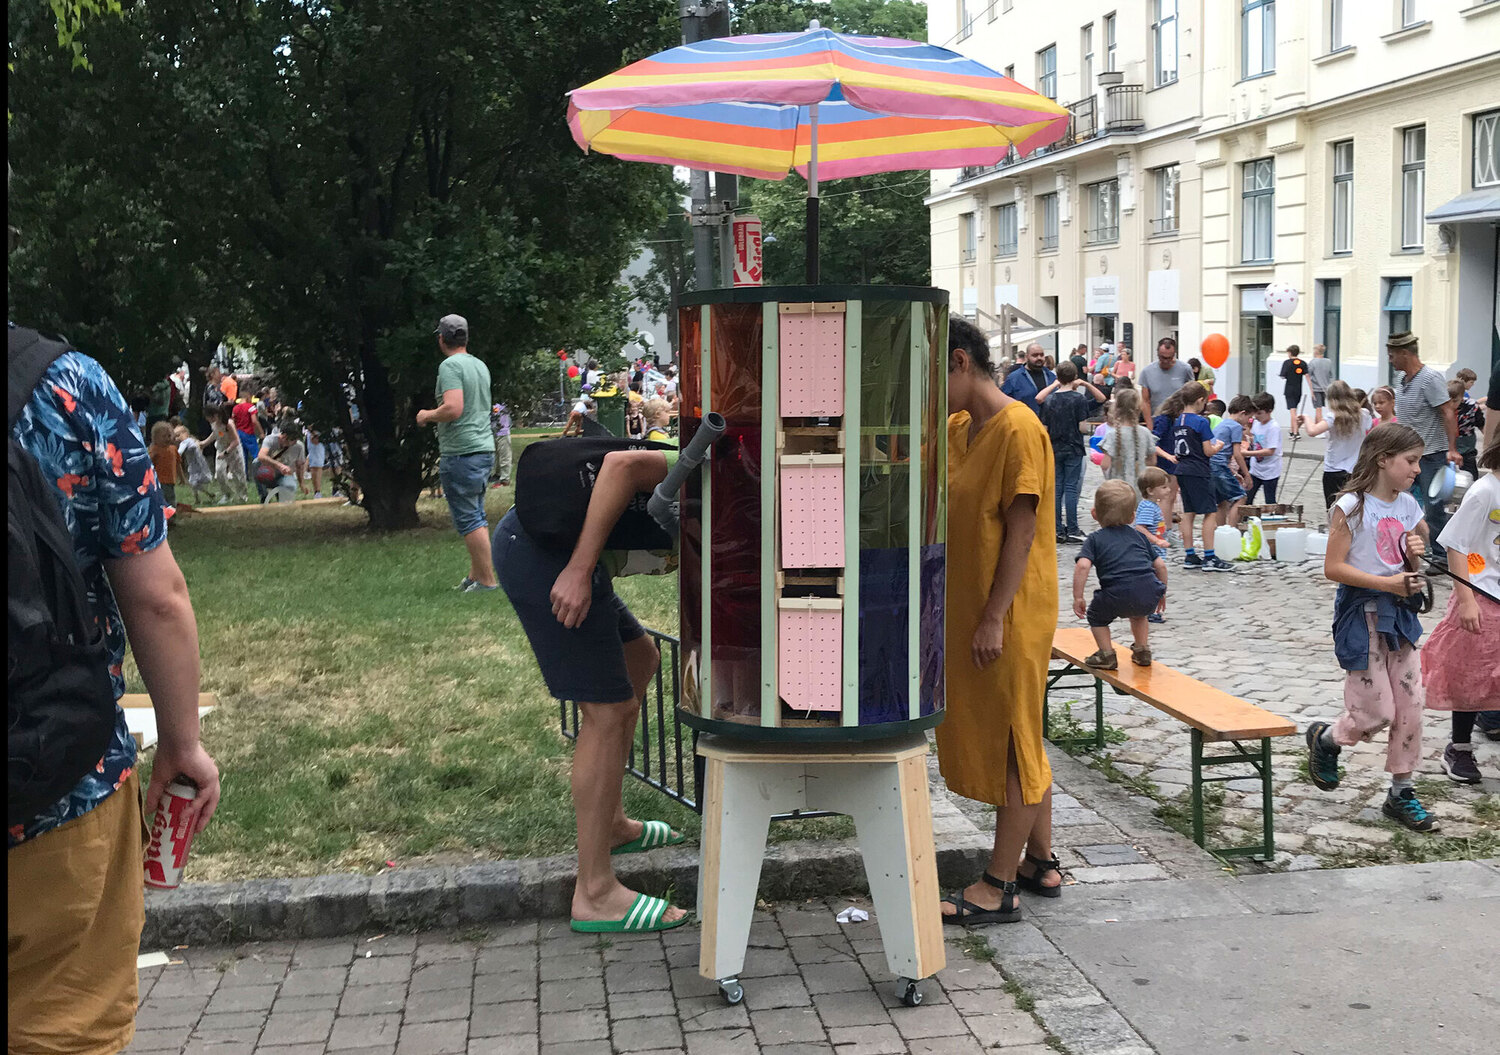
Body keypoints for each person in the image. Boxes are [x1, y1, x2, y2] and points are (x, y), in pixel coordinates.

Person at [9, 326, 220, 1054]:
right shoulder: (66, 388)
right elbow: (157, 595)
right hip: (55, 793)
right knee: (67, 1030)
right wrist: (182, 741)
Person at [493, 436, 688, 933]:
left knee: (640, 659)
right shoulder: (713, 460)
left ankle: (615, 824)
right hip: (546, 559)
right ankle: (595, 893)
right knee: (608, 710)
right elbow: (620, 467)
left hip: (562, 557)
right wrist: (579, 570)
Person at [939, 316, 1061, 926]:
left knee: (1014, 738)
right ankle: (1040, 858)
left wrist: (993, 618)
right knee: (1020, 727)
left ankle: (999, 883)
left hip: (1010, 610)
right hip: (977, 606)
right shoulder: (962, 425)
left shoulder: (1019, 426)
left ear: (960, 362)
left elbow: (1021, 530)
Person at [1305, 423, 1436, 833]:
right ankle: (1327, 739)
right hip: (1362, 616)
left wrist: (1416, 561)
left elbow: (1413, 567)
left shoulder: (1409, 507)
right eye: (1410, 461)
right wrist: (1388, 583)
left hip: (1400, 618)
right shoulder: (1351, 506)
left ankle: (1401, 793)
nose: (1416, 470)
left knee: (1411, 706)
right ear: (1383, 459)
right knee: (1375, 711)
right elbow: (1334, 568)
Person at [1421, 437, 1500, 784]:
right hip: (1481, 591)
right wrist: (1466, 599)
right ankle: (1460, 747)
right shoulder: (1485, 491)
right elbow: (1456, 544)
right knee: (1469, 673)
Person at [417, 314, 498, 592]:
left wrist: (427, 415)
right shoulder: (479, 365)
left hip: (462, 451)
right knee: (476, 513)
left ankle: (487, 581)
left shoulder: (450, 366)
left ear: (441, 338)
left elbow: (453, 408)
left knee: (469, 518)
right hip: (484, 448)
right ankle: (476, 576)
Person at [1073, 479, 1170, 669]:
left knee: (1096, 617)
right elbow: (1161, 566)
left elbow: (1083, 566)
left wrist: (1078, 597)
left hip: (1115, 593)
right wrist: (1161, 591)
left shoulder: (1094, 539)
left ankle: (1106, 654)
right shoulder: (1140, 536)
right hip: (1147, 591)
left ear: (1094, 514)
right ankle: (1142, 651)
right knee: (1140, 614)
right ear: (1133, 517)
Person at [1387, 332, 1463, 562]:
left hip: (1431, 454)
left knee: (1434, 507)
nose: (1390, 360)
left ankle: (1441, 555)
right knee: (1403, 503)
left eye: (1392, 356)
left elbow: (1448, 411)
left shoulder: (1430, 378)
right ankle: (1411, 548)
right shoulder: (1402, 381)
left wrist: (1452, 448)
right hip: (1406, 454)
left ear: (1405, 353)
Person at [1159, 381, 1233, 571]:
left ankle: (1190, 554)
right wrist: (1218, 447)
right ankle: (1210, 557)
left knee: (1188, 513)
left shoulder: (1178, 420)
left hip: (1182, 469)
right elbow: (1207, 451)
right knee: (1210, 512)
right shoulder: (1201, 421)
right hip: (1199, 470)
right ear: (1200, 401)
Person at [1037, 362, 1105, 543]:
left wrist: (1054, 384)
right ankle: (1073, 528)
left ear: (1057, 377)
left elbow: (1043, 420)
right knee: (1071, 488)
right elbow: (1084, 426)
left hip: (1054, 447)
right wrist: (1086, 384)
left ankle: (1057, 529)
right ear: (1075, 377)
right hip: (1074, 447)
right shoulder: (1078, 399)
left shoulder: (1050, 400)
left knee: (1057, 488)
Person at [1300, 380, 1373, 509]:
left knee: (1334, 508)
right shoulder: (1364, 415)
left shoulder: (1333, 417)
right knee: (1354, 508)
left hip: (1333, 469)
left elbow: (1312, 431)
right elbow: (1369, 426)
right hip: (1354, 469)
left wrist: (1306, 418)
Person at [1098, 387, 1158, 498]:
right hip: (1140, 489)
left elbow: (1105, 465)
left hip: (1117, 490)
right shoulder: (1145, 433)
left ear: (1116, 409)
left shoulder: (1112, 435)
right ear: (1138, 408)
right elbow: (1152, 461)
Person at [1134, 467, 1172, 623]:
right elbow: (1140, 527)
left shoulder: (1151, 506)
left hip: (1154, 550)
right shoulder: (1149, 507)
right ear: (1150, 490)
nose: (1168, 490)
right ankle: (1150, 610)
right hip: (1151, 551)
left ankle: (1150, 609)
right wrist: (1156, 541)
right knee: (1152, 582)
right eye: (1163, 487)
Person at [1210, 395, 1254, 528]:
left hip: (1211, 465)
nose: (1248, 422)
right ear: (1242, 413)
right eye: (1249, 418)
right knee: (1240, 497)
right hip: (1219, 466)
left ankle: (1221, 533)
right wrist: (1247, 474)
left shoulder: (1222, 424)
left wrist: (1233, 473)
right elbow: (1237, 453)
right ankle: (1232, 531)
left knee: (1221, 502)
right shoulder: (1236, 426)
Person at [1138, 337, 1193, 422]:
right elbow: (1145, 401)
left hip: (1179, 421)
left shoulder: (1185, 369)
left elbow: (1191, 397)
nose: (1166, 361)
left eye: (1169, 358)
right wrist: (1150, 426)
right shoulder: (1147, 372)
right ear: (1157, 354)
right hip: (1157, 421)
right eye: (1163, 357)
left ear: (1174, 354)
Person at [203, 406, 250, 504]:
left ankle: (242, 496)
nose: (207, 419)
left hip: (233, 450)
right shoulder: (214, 424)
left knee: (238, 474)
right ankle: (227, 494)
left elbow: (236, 441)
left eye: (209, 417)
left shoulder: (228, 424)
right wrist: (204, 443)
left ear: (215, 415)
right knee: (219, 472)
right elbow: (216, 434)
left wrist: (226, 452)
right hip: (221, 448)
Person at [256, 417, 306, 503]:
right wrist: (279, 465)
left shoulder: (299, 446)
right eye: (293, 439)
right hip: (269, 471)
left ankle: (282, 498)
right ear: (284, 437)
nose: (295, 442)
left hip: (285, 475)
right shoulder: (270, 439)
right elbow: (261, 456)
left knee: (290, 486)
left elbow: (299, 466)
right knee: (256, 463)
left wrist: (301, 483)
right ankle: (264, 496)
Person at [999, 342, 1056, 413]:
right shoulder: (1014, 378)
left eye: (1041, 355)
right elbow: (1002, 403)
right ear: (1026, 357)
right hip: (1024, 421)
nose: (1039, 358)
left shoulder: (1051, 377)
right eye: (1035, 355)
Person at [1451, 376, 1484, 479]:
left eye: (1454, 400)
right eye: (1448, 400)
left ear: (1462, 398)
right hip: (1446, 450)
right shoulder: (1441, 406)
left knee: (1472, 477)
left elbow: (1482, 426)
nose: (1451, 404)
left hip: (1466, 450)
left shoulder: (1472, 408)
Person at [175, 424, 213, 506]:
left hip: (196, 465)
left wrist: (174, 457)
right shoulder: (191, 440)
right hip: (196, 465)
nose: (177, 438)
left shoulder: (185, 442)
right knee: (193, 483)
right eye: (175, 436)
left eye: (178, 435)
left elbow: (179, 453)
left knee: (194, 483)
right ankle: (201, 497)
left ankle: (200, 497)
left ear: (185, 433)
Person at [147, 420, 181, 509]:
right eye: (164, 436)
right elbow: (148, 464)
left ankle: (171, 517)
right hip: (159, 480)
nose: (167, 438)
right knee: (163, 499)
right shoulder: (155, 449)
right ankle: (164, 516)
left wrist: (182, 477)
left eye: (169, 436)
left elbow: (178, 464)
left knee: (171, 498)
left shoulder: (173, 449)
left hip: (171, 480)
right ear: (155, 438)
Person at [1278, 345, 1310, 437]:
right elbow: (1307, 376)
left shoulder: (1287, 363)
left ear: (1290, 353)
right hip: (1298, 389)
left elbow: (1283, 375)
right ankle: (1292, 430)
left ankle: (1296, 432)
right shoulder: (1303, 363)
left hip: (1289, 389)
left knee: (1292, 411)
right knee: (1294, 409)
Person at [1308, 344, 1335, 424]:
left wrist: (1311, 388)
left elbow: (1308, 374)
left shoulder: (1312, 362)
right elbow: (1330, 375)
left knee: (1318, 408)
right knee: (1326, 407)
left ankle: (1320, 427)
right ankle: (1316, 424)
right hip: (1327, 387)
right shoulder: (1328, 361)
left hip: (1316, 388)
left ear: (1315, 352)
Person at [491, 402, 513, 488]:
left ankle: (505, 479)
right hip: (493, 431)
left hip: (503, 432)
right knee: (496, 455)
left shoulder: (504, 402)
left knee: (505, 456)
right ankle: (497, 474)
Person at [304, 427, 328, 498]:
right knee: (316, 465)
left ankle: (336, 489)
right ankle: (317, 492)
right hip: (316, 431)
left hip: (328, 430)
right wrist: (312, 432)